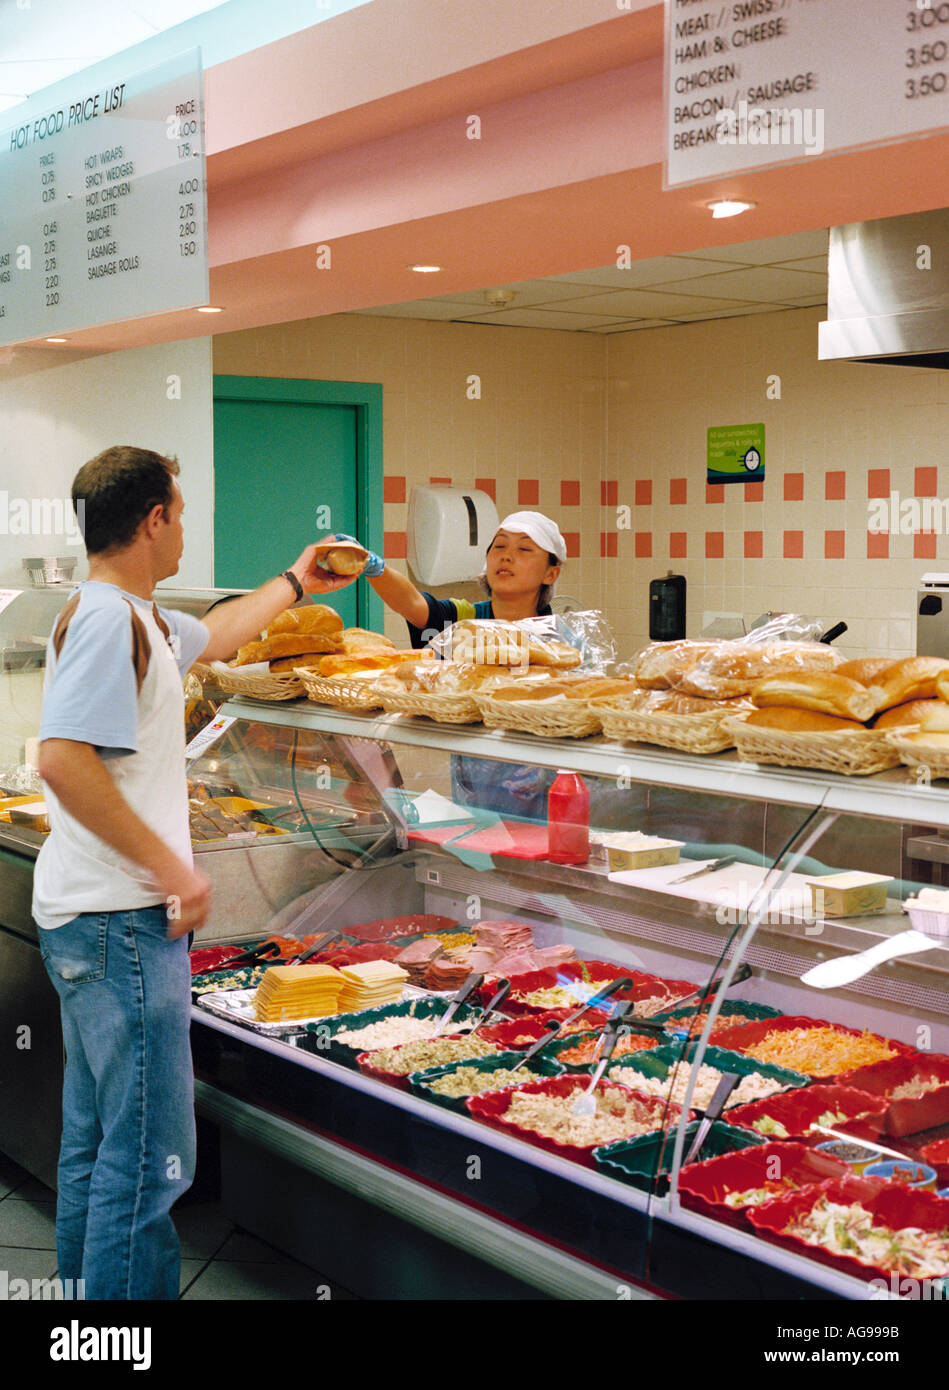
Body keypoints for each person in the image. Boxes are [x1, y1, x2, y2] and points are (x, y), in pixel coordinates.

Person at [33, 445, 355, 1301]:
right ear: (154, 519)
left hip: (87, 923)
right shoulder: (110, 622)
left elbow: (218, 634)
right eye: (181, 511)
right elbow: (63, 761)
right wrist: (175, 871)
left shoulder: (122, 614)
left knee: (98, 1145)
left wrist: (296, 581)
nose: (184, 527)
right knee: (145, 1164)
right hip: (121, 926)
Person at [329, 512, 568, 817]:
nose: (507, 556)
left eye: (524, 549)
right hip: (474, 796)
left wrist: (553, 769)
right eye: (499, 547)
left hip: (550, 797)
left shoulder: (564, 641)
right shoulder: (464, 620)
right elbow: (414, 604)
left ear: (551, 573)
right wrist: (374, 567)